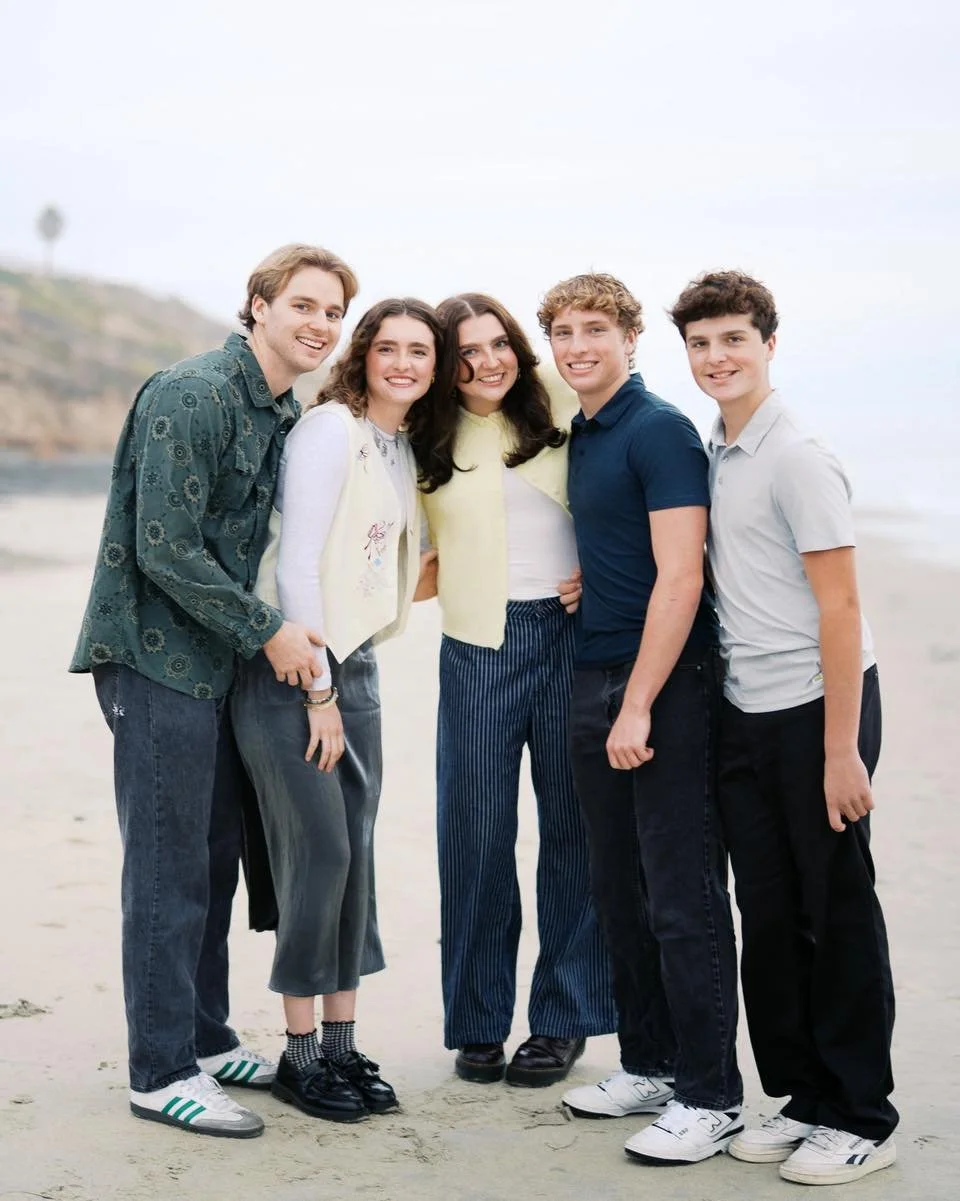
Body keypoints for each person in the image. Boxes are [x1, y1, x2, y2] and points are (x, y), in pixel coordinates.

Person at [69, 243, 358, 1138]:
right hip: (155, 660)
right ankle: (159, 1071)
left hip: (218, 666)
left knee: (216, 857)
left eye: (333, 312)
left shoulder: (280, 410)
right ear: (259, 306)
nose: (320, 324)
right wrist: (268, 630)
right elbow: (164, 542)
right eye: (303, 305)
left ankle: (201, 1032)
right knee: (166, 869)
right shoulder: (193, 392)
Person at [669, 270, 897, 1186]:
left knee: (835, 910)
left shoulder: (798, 453)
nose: (717, 357)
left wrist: (842, 749)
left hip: (818, 709)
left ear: (769, 343)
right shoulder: (717, 451)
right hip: (744, 710)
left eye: (733, 339)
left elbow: (840, 607)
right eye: (701, 343)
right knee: (766, 915)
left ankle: (860, 1115)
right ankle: (802, 1096)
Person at [537, 273, 743, 1165]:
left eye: (595, 329)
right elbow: (621, 551)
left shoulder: (658, 429)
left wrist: (638, 702)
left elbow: (684, 576)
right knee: (616, 886)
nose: (577, 346)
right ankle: (650, 1063)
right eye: (563, 332)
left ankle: (712, 1095)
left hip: (663, 683)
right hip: (592, 669)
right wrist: (589, 585)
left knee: (682, 894)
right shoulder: (584, 432)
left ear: (630, 337)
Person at [230, 298, 445, 1122]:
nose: (402, 362)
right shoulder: (331, 430)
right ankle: (299, 1055)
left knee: (354, 855)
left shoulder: (397, 443)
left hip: (358, 669)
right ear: (364, 354)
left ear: (434, 366)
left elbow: (381, 570)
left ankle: (344, 1043)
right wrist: (318, 689)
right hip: (295, 671)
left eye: (419, 351)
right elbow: (299, 573)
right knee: (315, 856)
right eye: (387, 346)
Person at [413, 293, 617, 1088]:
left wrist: (604, 578)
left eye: (498, 344)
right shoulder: (425, 435)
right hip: (475, 649)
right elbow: (399, 545)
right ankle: (476, 1021)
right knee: (474, 835)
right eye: (465, 352)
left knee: (574, 830)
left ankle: (563, 1019)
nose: (486, 362)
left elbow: (622, 500)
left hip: (574, 641)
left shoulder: (564, 405)